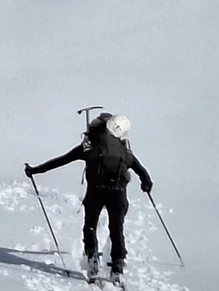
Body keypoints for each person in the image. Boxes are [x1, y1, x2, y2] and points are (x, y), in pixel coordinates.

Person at [26, 112, 152, 280]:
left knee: (90, 225)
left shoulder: (89, 145)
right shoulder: (124, 149)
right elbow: (142, 172)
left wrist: (35, 170)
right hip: (118, 193)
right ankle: (118, 264)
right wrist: (146, 184)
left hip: (96, 191)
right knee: (117, 229)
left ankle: (92, 256)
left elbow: (61, 160)